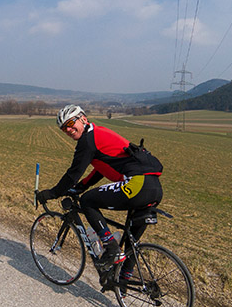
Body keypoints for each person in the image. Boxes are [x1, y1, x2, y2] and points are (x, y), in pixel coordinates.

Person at [36, 104, 163, 279]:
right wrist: (82, 186)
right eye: (64, 128)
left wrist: (52, 193)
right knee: (130, 241)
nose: (69, 129)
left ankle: (110, 246)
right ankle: (123, 281)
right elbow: (101, 168)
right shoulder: (98, 134)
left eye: (71, 123)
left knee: (88, 201)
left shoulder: (88, 140)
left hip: (137, 183)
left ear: (83, 119)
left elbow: (73, 173)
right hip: (153, 187)